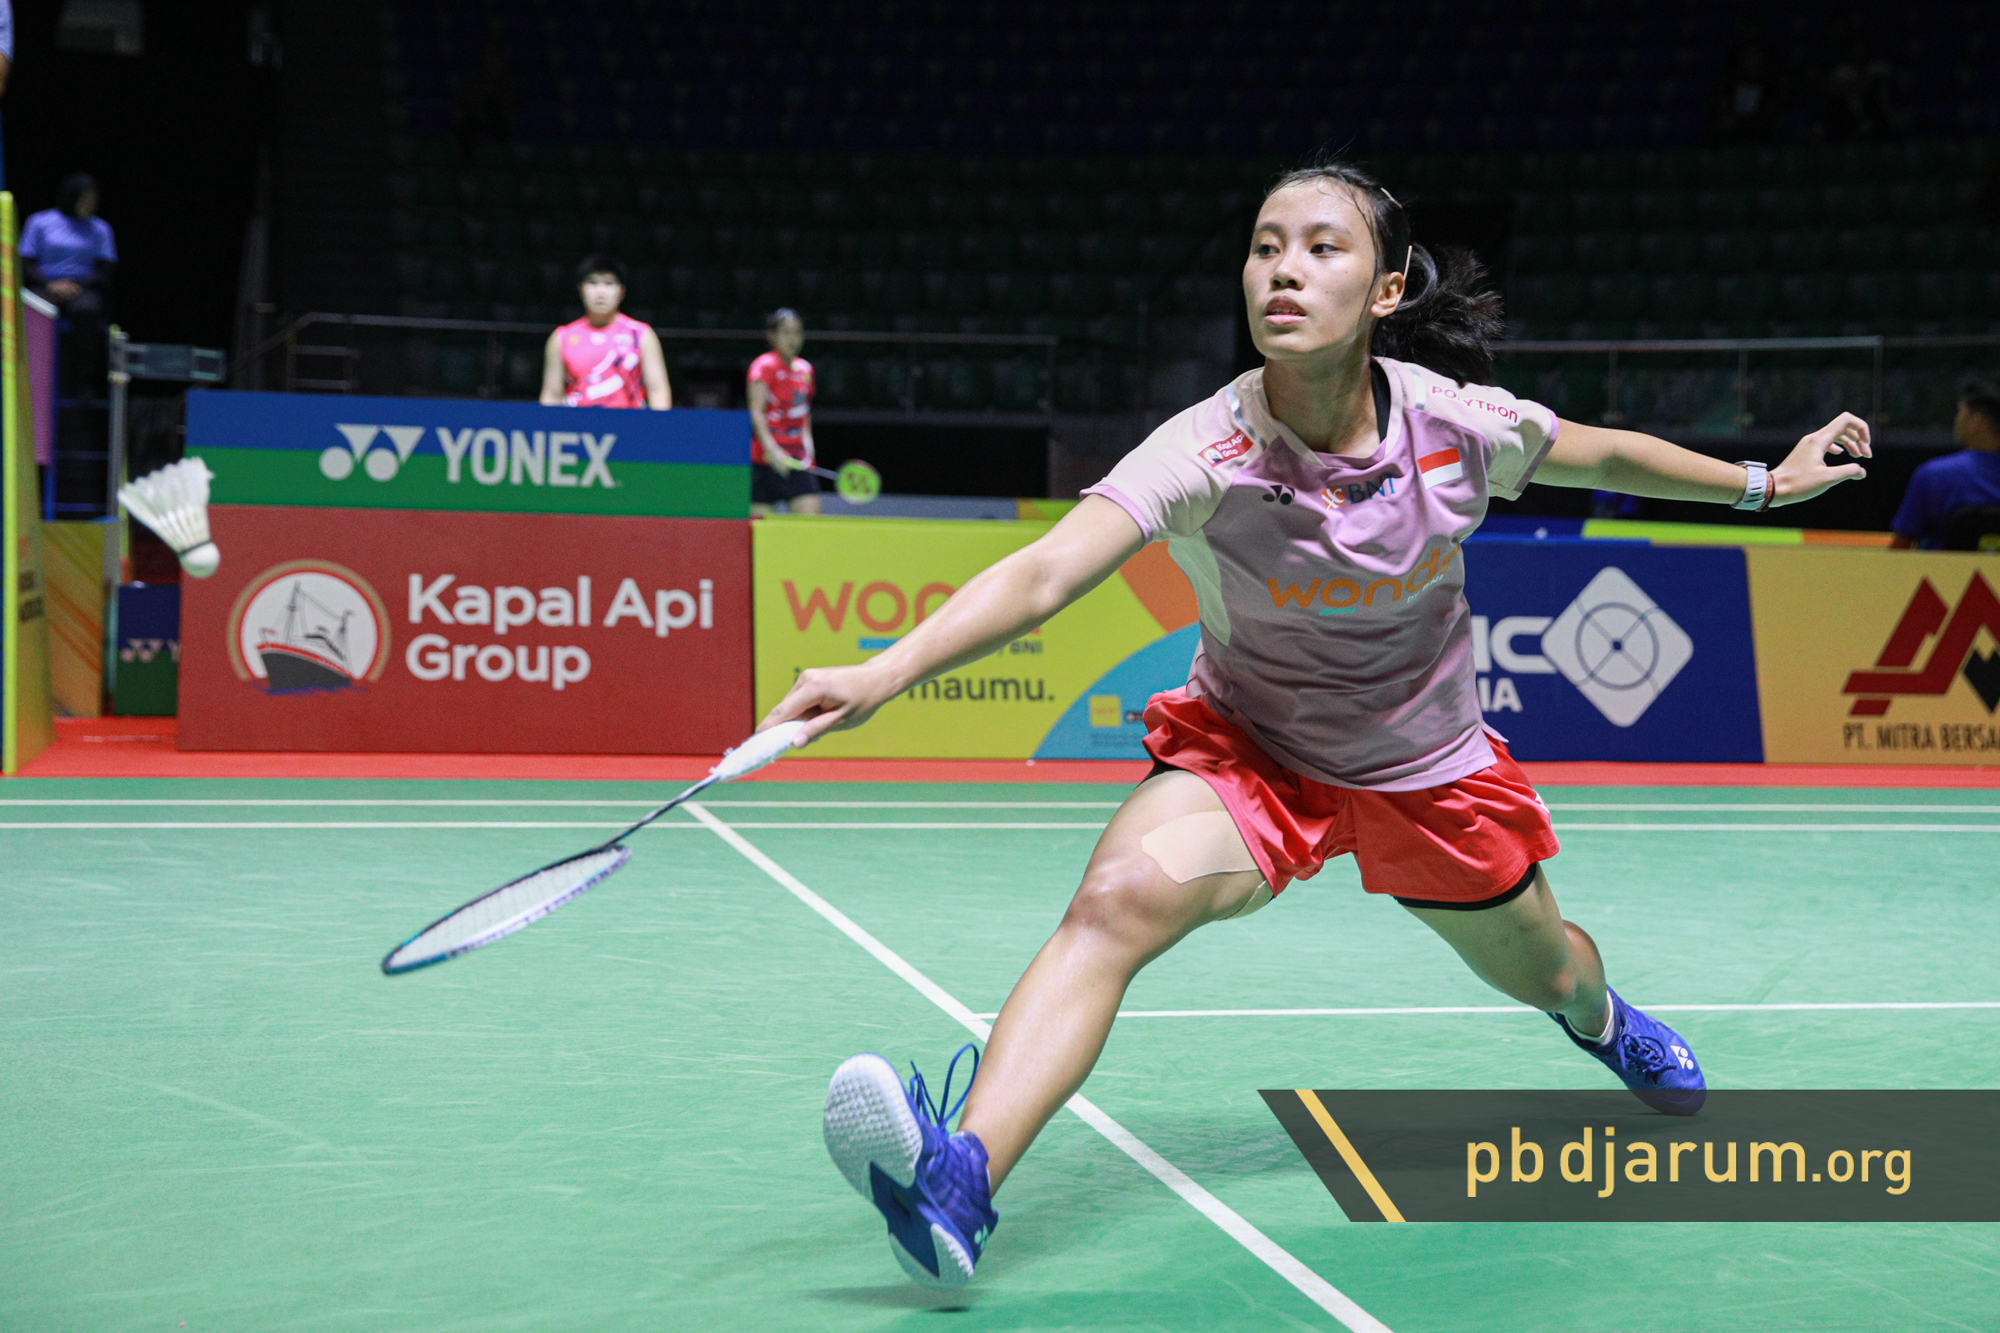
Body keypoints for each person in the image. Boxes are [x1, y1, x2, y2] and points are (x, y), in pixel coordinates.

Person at [777, 161, 1874, 1288]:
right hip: (1254, 758)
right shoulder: (1204, 447)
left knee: (1550, 971)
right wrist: (885, 670)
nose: (1283, 271)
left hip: (1428, 770)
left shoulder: (1456, 423)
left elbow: (1604, 452)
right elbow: (1050, 569)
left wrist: (1766, 484)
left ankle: (1602, 1023)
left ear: (1386, 291)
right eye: (1264, 247)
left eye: (1319, 247)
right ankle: (960, 1179)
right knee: (1115, 901)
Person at [21, 174, 118, 402]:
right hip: (45, 285)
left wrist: (76, 285)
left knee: (86, 311)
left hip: (83, 287)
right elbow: (26, 262)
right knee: (35, 311)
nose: (90, 205)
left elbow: (105, 269)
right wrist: (51, 284)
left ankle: (84, 384)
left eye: (93, 201)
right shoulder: (39, 222)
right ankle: (30, 381)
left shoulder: (100, 229)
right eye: (85, 199)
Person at [539, 255, 671, 410]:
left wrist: (660, 423)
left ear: (621, 291)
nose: (600, 292)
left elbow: (658, 391)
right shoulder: (561, 338)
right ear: (581, 289)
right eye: (592, 283)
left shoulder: (642, 335)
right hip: (578, 422)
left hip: (629, 421)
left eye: (609, 283)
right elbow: (551, 395)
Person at [1889, 378, 2000, 549]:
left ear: (1976, 421)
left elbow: (1901, 546)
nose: (1956, 420)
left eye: (1960, 412)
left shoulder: (1933, 474)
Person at [747, 307, 819, 516]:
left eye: (797, 333)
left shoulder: (806, 369)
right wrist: (773, 450)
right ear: (772, 336)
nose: (793, 339)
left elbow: (804, 411)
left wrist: (808, 446)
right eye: (786, 333)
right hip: (764, 462)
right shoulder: (763, 366)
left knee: (810, 525)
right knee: (760, 531)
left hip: (798, 460)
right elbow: (756, 412)